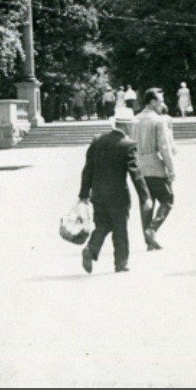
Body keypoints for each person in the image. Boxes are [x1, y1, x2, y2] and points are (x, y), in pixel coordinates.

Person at [77, 116, 152, 274]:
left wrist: (83, 194)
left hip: (98, 194)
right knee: (120, 228)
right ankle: (121, 263)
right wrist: (145, 197)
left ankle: (91, 249)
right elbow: (136, 174)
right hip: (119, 196)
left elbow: (88, 169)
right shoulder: (128, 145)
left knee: (102, 224)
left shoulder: (97, 140)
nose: (133, 128)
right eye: (131, 125)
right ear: (126, 126)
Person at [134, 89, 176, 251]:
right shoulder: (158, 120)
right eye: (160, 100)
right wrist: (171, 169)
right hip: (154, 165)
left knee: (146, 202)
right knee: (167, 199)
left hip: (138, 166)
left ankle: (149, 242)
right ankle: (152, 230)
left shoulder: (134, 119)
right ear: (152, 102)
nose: (162, 104)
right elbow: (164, 147)